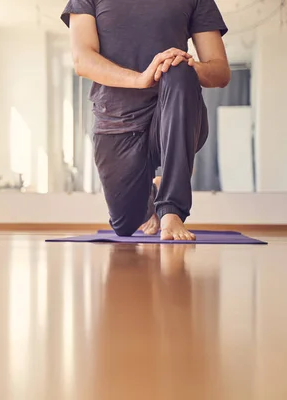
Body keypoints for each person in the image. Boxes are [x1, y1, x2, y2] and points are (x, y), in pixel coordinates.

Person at [61, 0, 230, 240]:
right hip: (117, 122)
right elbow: (83, 60)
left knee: (180, 69)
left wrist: (189, 65)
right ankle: (154, 192)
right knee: (125, 224)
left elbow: (220, 71)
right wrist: (140, 79)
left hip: (174, 114)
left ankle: (172, 210)